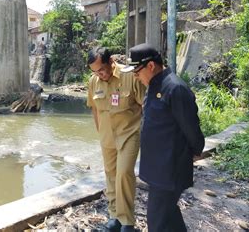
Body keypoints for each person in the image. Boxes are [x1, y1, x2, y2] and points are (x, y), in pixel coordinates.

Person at [122, 43, 205, 232]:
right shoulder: (154, 85)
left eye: (137, 71)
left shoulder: (175, 88)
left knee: (157, 221)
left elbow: (191, 128)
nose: (135, 76)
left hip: (170, 168)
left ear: (151, 66)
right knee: (168, 215)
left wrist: (195, 150)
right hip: (158, 168)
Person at [87, 47, 146, 232]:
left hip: (128, 133)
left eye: (102, 69)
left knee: (124, 173)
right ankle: (114, 217)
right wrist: (100, 132)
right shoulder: (93, 82)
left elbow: (146, 106)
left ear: (111, 61)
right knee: (111, 175)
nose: (100, 74)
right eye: (95, 71)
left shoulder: (130, 76)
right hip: (107, 136)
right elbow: (95, 109)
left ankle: (127, 221)